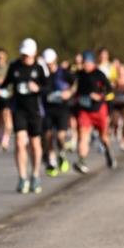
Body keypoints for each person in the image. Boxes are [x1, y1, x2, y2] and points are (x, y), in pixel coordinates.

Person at [0, 38, 49, 194]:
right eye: (23, 54)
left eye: (28, 55)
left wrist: (38, 88)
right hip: (19, 110)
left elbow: (48, 88)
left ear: (34, 53)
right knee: (20, 143)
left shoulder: (40, 67)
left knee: (35, 144)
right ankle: (22, 178)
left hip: (35, 110)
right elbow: (6, 84)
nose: (25, 57)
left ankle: (35, 175)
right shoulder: (15, 66)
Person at [69, 50, 116, 173]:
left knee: (103, 137)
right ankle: (82, 161)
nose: (84, 65)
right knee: (83, 135)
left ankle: (108, 153)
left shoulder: (99, 74)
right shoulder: (79, 75)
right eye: (83, 63)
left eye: (86, 62)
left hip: (99, 110)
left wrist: (100, 96)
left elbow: (110, 92)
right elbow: (74, 89)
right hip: (85, 111)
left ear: (92, 62)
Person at [42, 48, 74, 177]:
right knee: (48, 136)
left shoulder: (64, 73)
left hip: (62, 109)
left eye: (50, 63)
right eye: (46, 63)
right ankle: (52, 161)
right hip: (47, 109)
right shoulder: (42, 75)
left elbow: (75, 83)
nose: (49, 66)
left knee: (60, 136)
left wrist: (69, 92)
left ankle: (61, 153)